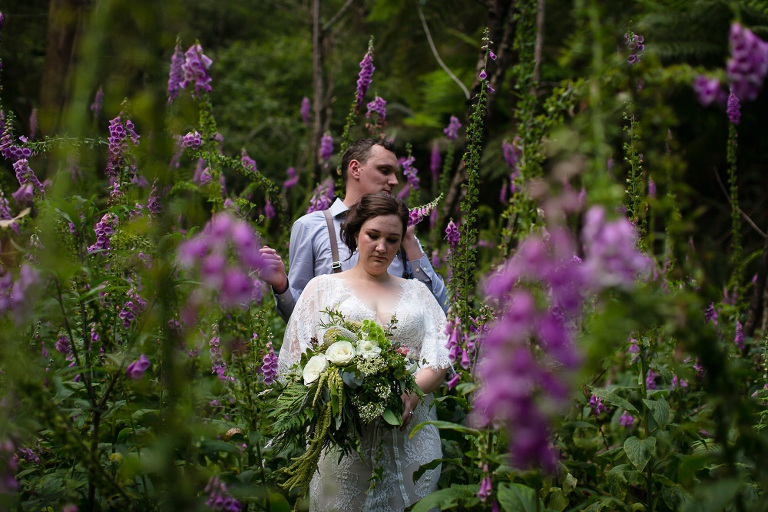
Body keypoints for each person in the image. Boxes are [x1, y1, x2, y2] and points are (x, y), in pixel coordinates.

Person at [277, 193, 450, 511]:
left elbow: (439, 355)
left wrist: (411, 393)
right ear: (355, 232)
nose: (382, 247)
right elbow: (296, 360)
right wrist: (337, 389)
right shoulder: (321, 288)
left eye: (392, 239)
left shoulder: (418, 292)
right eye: (373, 235)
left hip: (412, 444)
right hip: (345, 447)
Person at [258, 139, 446, 321]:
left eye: (395, 173)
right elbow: (297, 320)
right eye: (384, 170)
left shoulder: (399, 232)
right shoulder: (311, 226)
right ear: (355, 169)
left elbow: (439, 310)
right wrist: (282, 286)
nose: (395, 181)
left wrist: (409, 242)